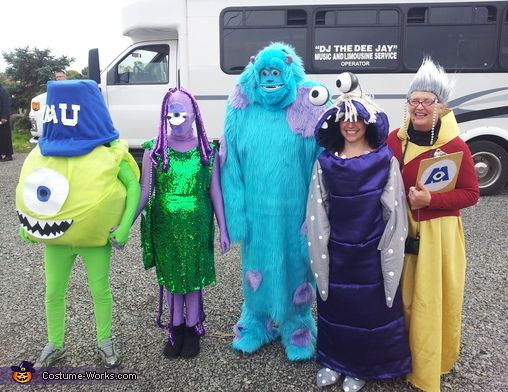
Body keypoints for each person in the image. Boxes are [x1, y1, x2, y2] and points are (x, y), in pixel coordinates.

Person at [15, 80, 140, 369]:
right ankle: (55, 344)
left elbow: (133, 187)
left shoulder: (111, 152)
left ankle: (105, 341)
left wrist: (124, 227)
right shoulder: (42, 154)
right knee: (53, 291)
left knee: (100, 290)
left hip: (95, 239)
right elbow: (30, 189)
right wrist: (30, 224)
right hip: (57, 241)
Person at [306, 73, 411, 391]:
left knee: (367, 311)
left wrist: (388, 251)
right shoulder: (326, 162)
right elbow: (316, 212)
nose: (350, 125)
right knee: (335, 307)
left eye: (357, 120)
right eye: (344, 120)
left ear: (367, 123)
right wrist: (320, 251)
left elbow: (395, 211)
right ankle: (334, 360)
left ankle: (362, 366)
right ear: (337, 124)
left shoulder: (383, 161)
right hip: (337, 250)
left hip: (370, 252)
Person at [220, 42, 325, 361]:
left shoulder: (309, 102)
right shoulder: (241, 104)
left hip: (296, 210)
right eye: (263, 72)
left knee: (298, 263)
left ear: (289, 72)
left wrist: (318, 215)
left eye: (275, 72)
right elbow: (230, 161)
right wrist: (235, 213)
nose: (269, 79)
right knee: (257, 265)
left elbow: (323, 162)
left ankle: (297, 323)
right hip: (256, 210)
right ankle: (257, 320)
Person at [387, 57, 480, 392]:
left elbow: (471, 194)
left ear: (441, 106)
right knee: (399, 299)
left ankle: (428, 363)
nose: (420, 107)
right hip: (400, 232)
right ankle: (397, 358)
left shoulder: (455, 147)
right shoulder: (393, 140)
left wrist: (432, 201)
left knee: (428, 301)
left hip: (438, 236)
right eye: (414, 101)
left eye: (428, 101)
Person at [137, 87, 230, 359]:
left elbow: (215, 191)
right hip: (164, 226)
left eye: (181, 113)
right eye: (171, 114)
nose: (176, 119)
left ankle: (192, 327)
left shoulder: (207, 151)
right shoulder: (155, 150)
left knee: (192, 277)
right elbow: (146, 190)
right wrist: (125, 223)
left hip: (197, 224)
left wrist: (223, 227)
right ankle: (175, 327)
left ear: (194, 114)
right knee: (172, 278)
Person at [0, 83, 13, 162]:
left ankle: (8, 155)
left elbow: (6, 104)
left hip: (3, 118)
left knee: (5, 136)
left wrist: (4, 117)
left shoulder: (3, 91)